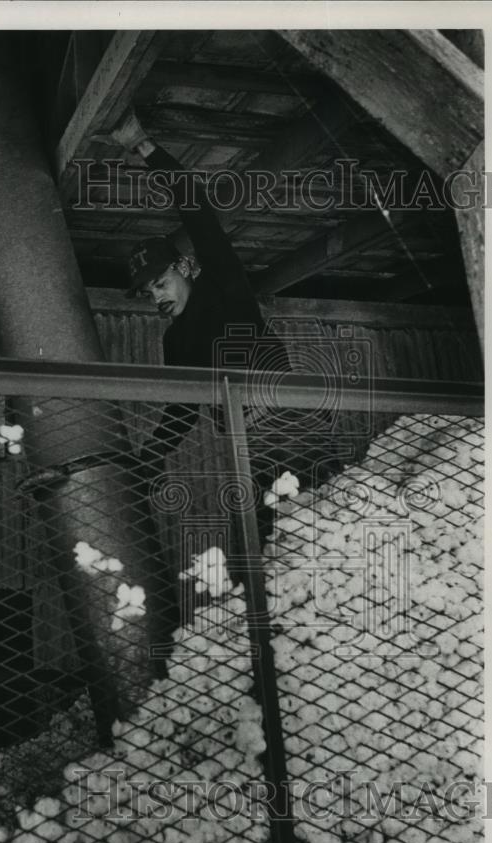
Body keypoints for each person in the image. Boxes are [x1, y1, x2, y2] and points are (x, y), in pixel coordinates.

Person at [110, 109, 342, 552]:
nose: (157, 297)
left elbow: (198, 213)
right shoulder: (175, 340)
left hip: (292, 422)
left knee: (319, 528)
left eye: (160, 283)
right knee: (266, 546)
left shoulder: (224, 288)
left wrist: (145, 147)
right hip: (247, 440)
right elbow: (182, 411)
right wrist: (149, 459)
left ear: (184, 268)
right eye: (148, 293)